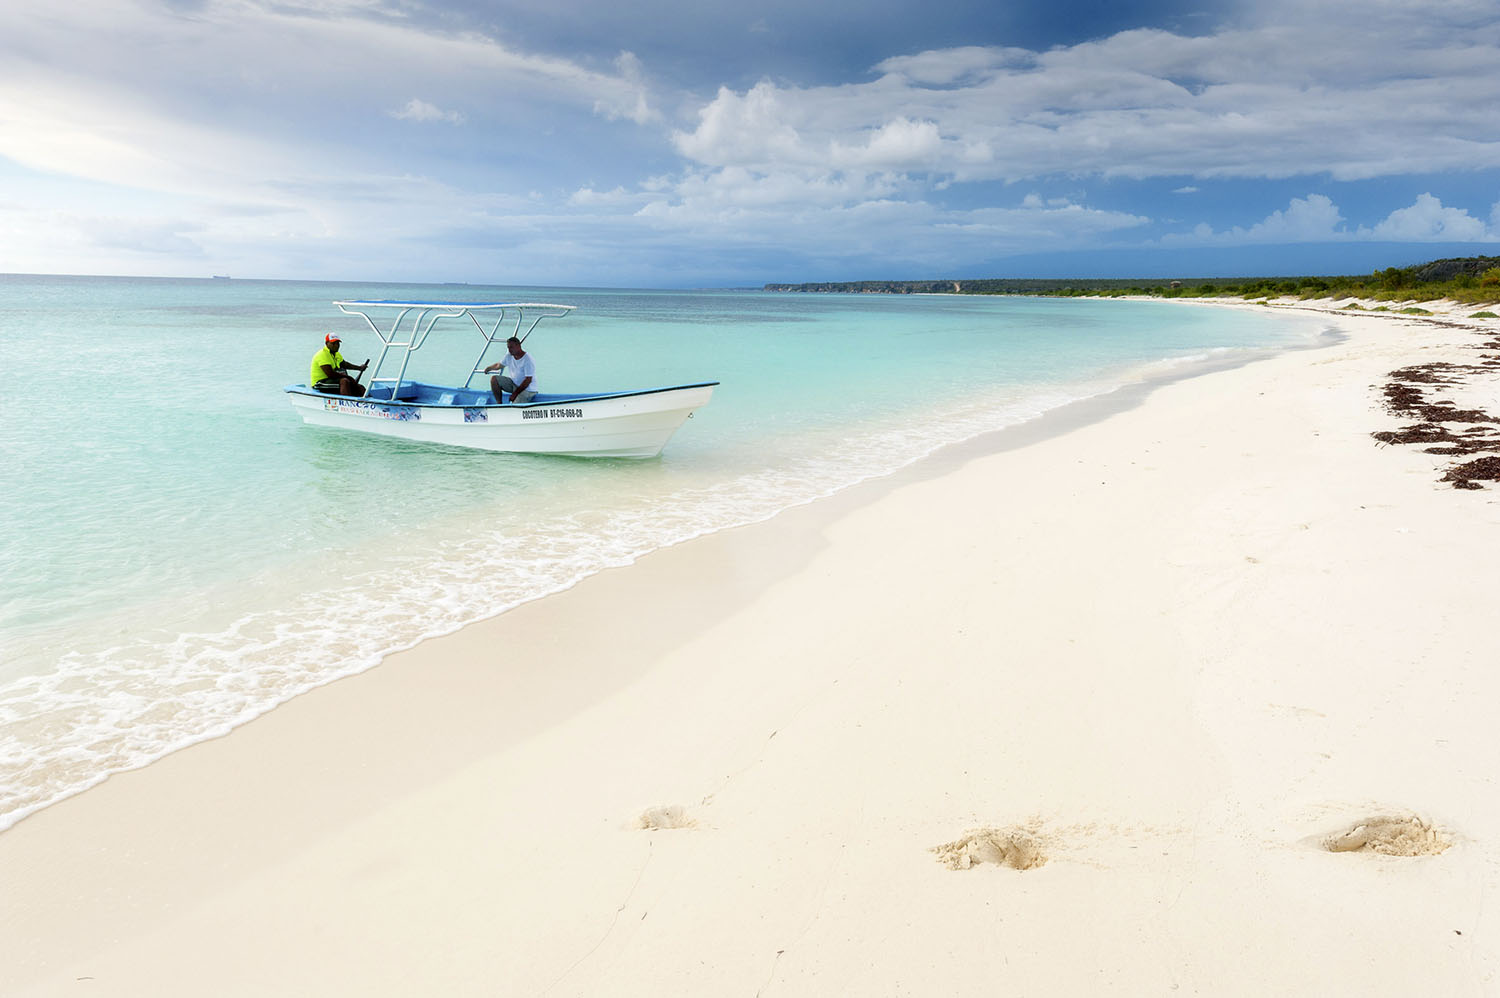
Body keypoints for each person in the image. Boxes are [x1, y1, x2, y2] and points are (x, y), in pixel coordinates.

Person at [484, 336, 538, 403]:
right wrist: (489, 368)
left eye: (511, 347)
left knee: (515, 407)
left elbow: (528, 380)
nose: (510, 350)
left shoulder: (528, 359)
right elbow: (499, 365)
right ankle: (499, 403)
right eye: (508, 347)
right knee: (494, 379)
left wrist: (515, 394)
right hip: (514, 384)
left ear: (518, 346)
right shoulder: (509, 356)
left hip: (527, 389)